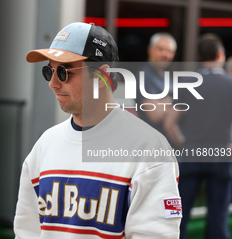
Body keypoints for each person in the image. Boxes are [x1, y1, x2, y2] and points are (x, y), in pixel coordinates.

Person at [13, 22, 181, 238]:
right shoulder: (45, 144)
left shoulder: (149, 149)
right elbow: (27, 232)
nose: (53, 83)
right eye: (49, 71)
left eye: (64, 72)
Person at [164, 33, 232, 239]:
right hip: (221, 156)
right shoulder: (230, 84)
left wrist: (185, 144)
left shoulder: (187, 83)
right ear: (220, 54)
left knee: (179, 219)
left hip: (191, 155)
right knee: (218, 219)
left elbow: (169, 124)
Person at [135, 33, 177, 146]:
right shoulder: (144, 75)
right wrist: (176, 104)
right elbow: (155, 115)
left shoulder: (168, 77)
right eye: (161, 49)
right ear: (150, 50)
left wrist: (165, 103)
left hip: (166, 145)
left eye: (169, 51)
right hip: (151, 147)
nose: (165, 54)